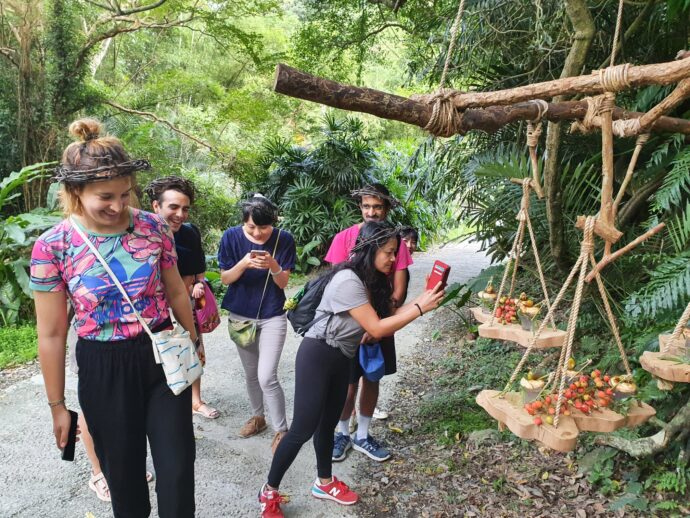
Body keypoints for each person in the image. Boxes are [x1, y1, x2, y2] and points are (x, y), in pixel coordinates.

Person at [31, 118, 197, 518]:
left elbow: (175, 290)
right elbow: (52, 334)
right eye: (105, 196)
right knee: (124, 480)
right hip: (102, 365)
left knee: (176, 472)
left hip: (160, 356)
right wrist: (58, 406)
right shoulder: (53, 246)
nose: (119, 206)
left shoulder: (154, 227)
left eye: (125, 194)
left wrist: (191, 343)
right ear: (74, 192)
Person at [258, 221, 445, 518]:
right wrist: (421, 309)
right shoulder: (348, 280)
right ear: (370, 249)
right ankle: (268, 491)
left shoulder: (370, 280)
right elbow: (376, 328)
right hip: (318, 354)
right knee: (302, 428)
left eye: (395, 253)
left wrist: (422, 298)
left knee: (327, 425)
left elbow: (384, 318)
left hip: (342, 356)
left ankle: (324, 482)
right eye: (388, 252)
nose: (393, 259)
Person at [326, 184, 413, 462]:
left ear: (386, 209)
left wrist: (381, 322)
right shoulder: (344, 238)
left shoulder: (395, 242)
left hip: (382, 319)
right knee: (347, 383)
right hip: (350, 325)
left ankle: (362, 434)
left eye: (377, 207)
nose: (371, 212)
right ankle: (341, 433)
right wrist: (363, 324)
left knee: (372, 377)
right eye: (366, 206)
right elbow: (335, 286)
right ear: (360, 207)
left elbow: (398, 288)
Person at [218, 194, 296, 453]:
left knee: (267, 376)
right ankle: (258, 417)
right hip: (241, 316)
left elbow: (283, 283)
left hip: (273, 314)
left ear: (272, 222)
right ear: (244, 222)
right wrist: (244, 262)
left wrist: (273, 263)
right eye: (252, 227)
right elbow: (226, 279)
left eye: (264, 227)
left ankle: (281, 431)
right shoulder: (230, 237)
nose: (259, 232)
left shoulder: (284, 239)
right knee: (251, 374)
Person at [146, 176, 219, 420]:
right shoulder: (142, 236)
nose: (180, 214)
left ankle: (195, 401)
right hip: (155, 310)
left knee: (193, 350)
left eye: (185, 208)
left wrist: (198, 285)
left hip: (185, 304)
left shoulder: (190, 233)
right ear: (156, 206)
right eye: (173, 207)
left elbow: (199, 271)